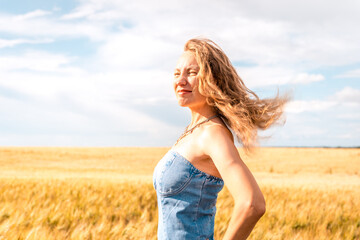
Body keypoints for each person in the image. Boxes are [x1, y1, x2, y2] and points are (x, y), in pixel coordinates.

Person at [153, 38, 288, 240]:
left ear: (213, 80)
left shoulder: (212, 133)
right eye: (176, 73)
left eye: (191, 73)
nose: (181, 81)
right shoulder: (193, 131)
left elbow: (252, 203)